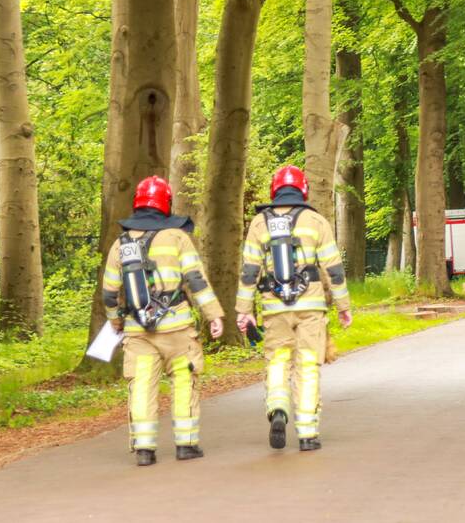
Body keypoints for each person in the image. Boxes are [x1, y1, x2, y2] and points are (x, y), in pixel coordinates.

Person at [101, 176, 224, 467]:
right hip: (178, 330)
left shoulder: (120, 244)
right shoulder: (177, 237)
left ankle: (144, 449)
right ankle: (186, 444)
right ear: (166, 204)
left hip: (138, 333)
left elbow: (109, 294)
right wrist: (214, 314)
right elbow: (196, 281)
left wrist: (116, 323)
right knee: (184, 382)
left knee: (142, 386)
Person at [235, 165, 353, 452]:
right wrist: (343, 305)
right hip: (311, 306)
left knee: (278, 360)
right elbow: (333, 269)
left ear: (274, 191)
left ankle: (277, 408)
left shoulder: (259, 223)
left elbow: (250, 270)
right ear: (303, 190)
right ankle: (308, 433)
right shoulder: (316, 221)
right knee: (308, 365)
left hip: (274, 306)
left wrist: (243, 309)